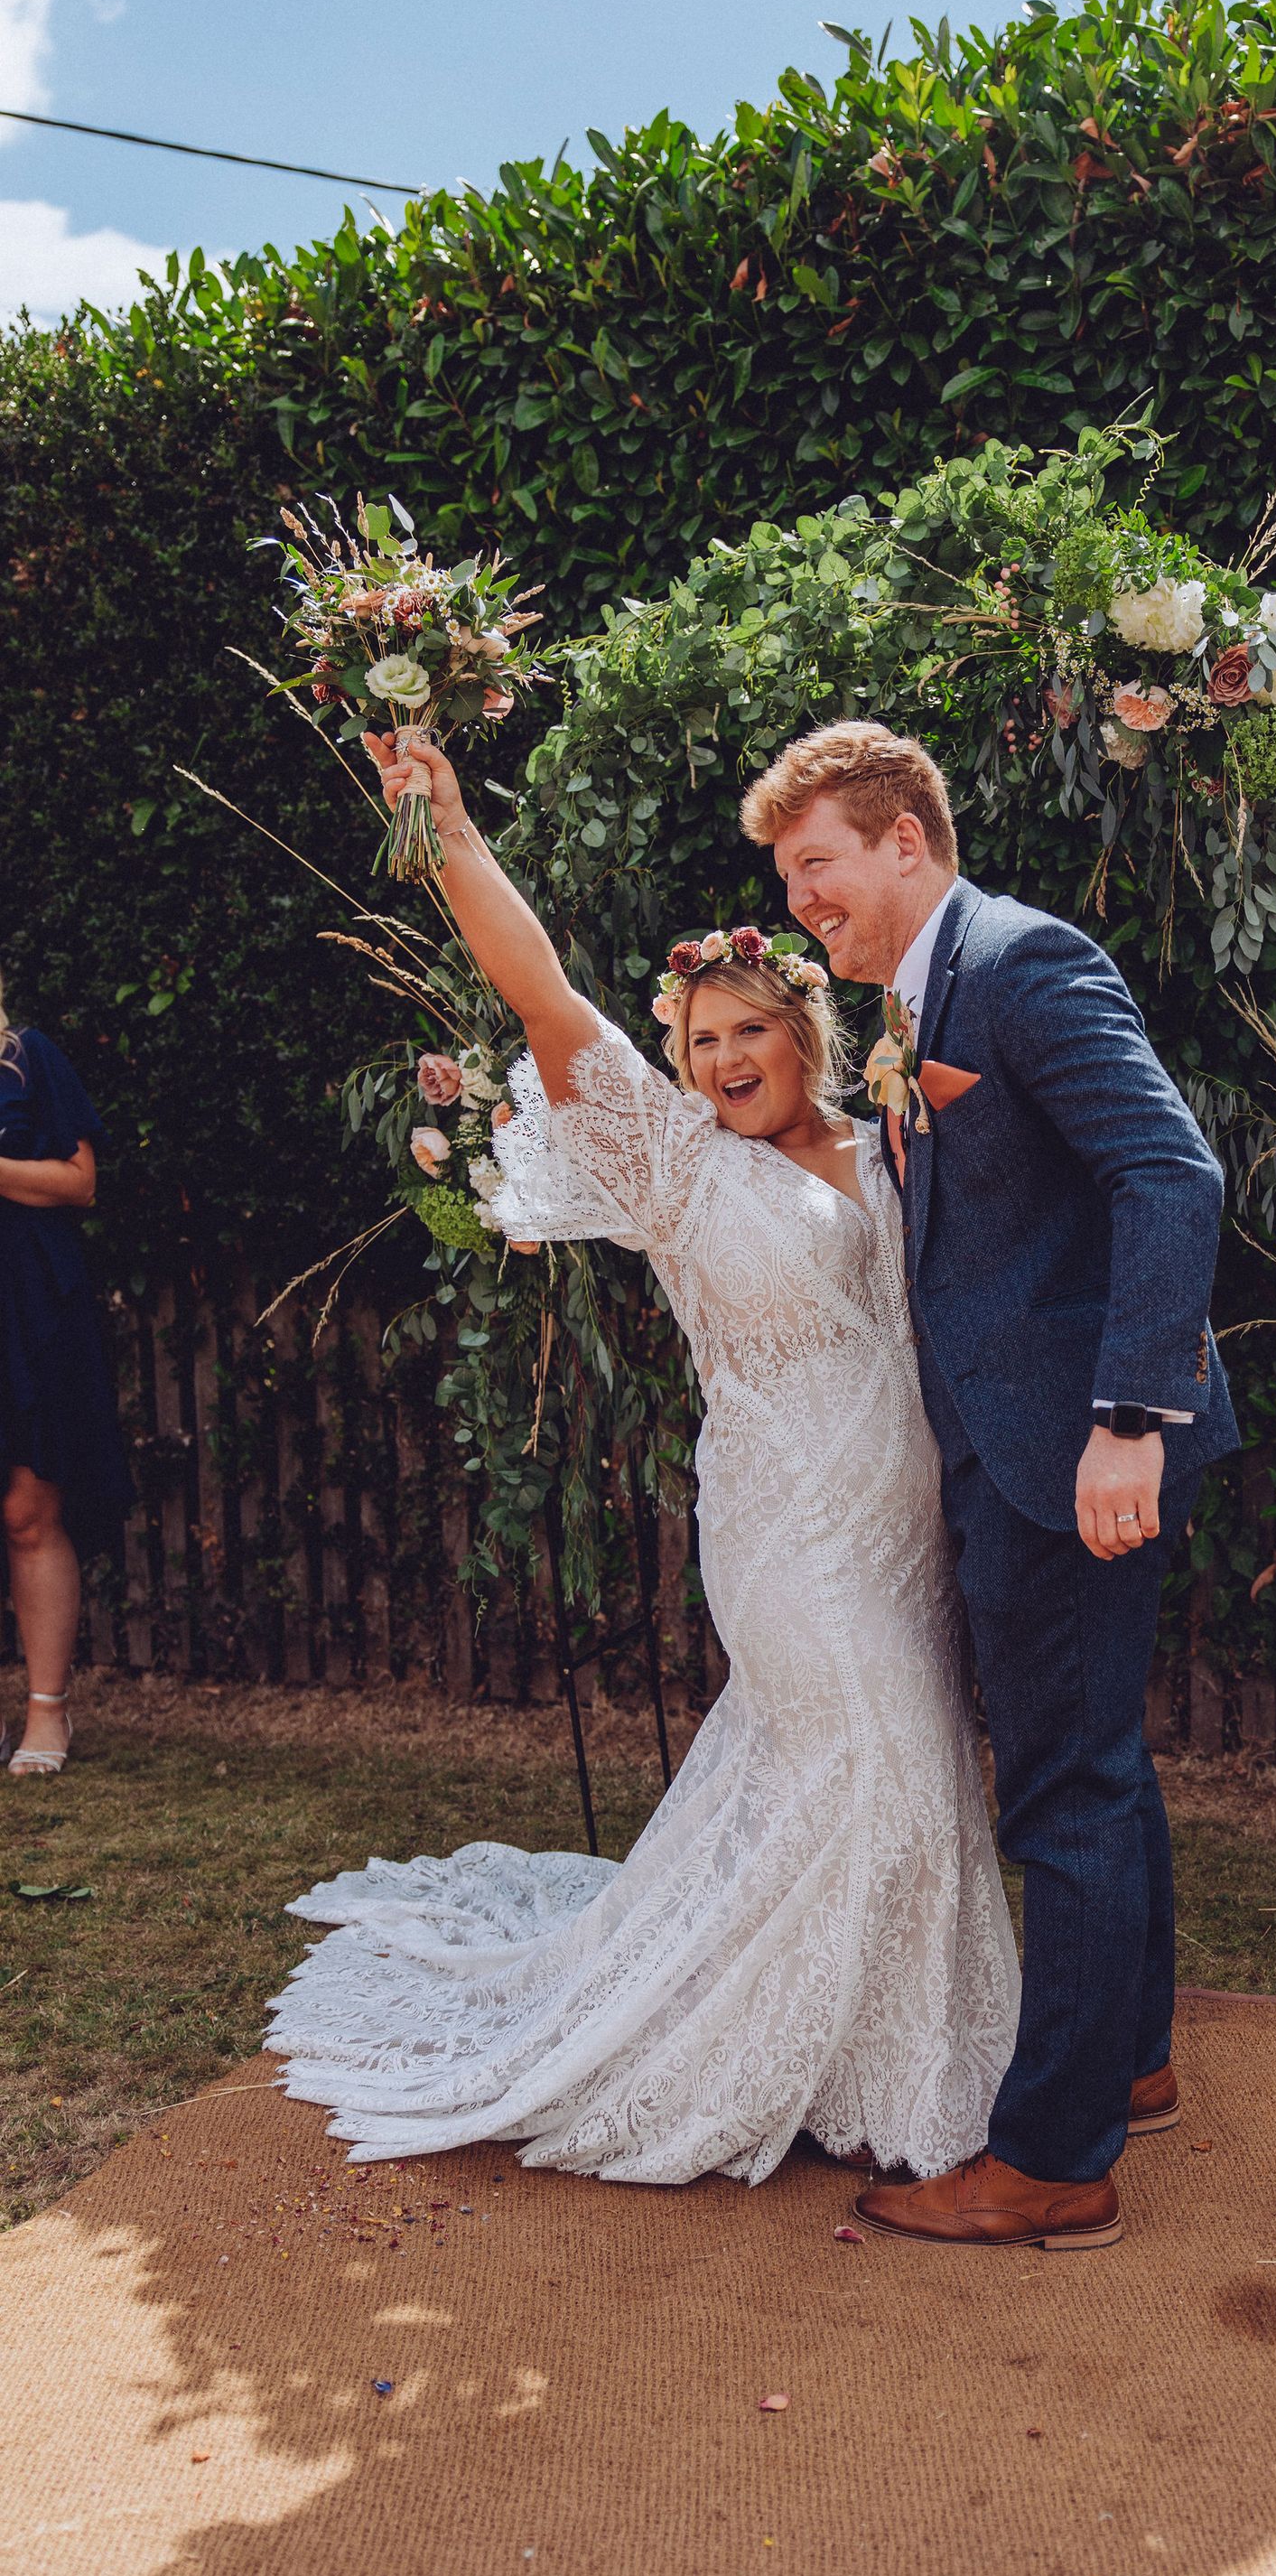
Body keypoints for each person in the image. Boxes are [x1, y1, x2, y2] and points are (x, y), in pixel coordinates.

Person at [264, 732, 1020, 2190]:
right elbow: (541, 991)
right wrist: (453, 829)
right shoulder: (676, 1167)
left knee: (908, 1775)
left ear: (804, 1032)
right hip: (788, 1531)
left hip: (907, 1528)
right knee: (879, 1761)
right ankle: (727, 2052)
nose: (724, 1060)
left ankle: (873, 2059)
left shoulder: (888, 1146)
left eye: (750, 1032)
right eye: (701, 1042)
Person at [740, 721, 1238, 2251]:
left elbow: (1173, 1172)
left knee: (1064, 1788)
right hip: (1018, 1454)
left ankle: (1052, 2159)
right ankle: (1131, 2059)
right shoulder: (919, 995)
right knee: (1101, 1762)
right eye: (788, 877)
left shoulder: (1020, 962)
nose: (805, 899)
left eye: (819, 865)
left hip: (1069, 1457)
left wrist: (1129, 1420)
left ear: (906, 838)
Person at [0, 983, 134, 1778]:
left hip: (24, 1303)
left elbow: (79, 1182)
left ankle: (47, 1712)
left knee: (26, 1508)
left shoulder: (27, 1058)